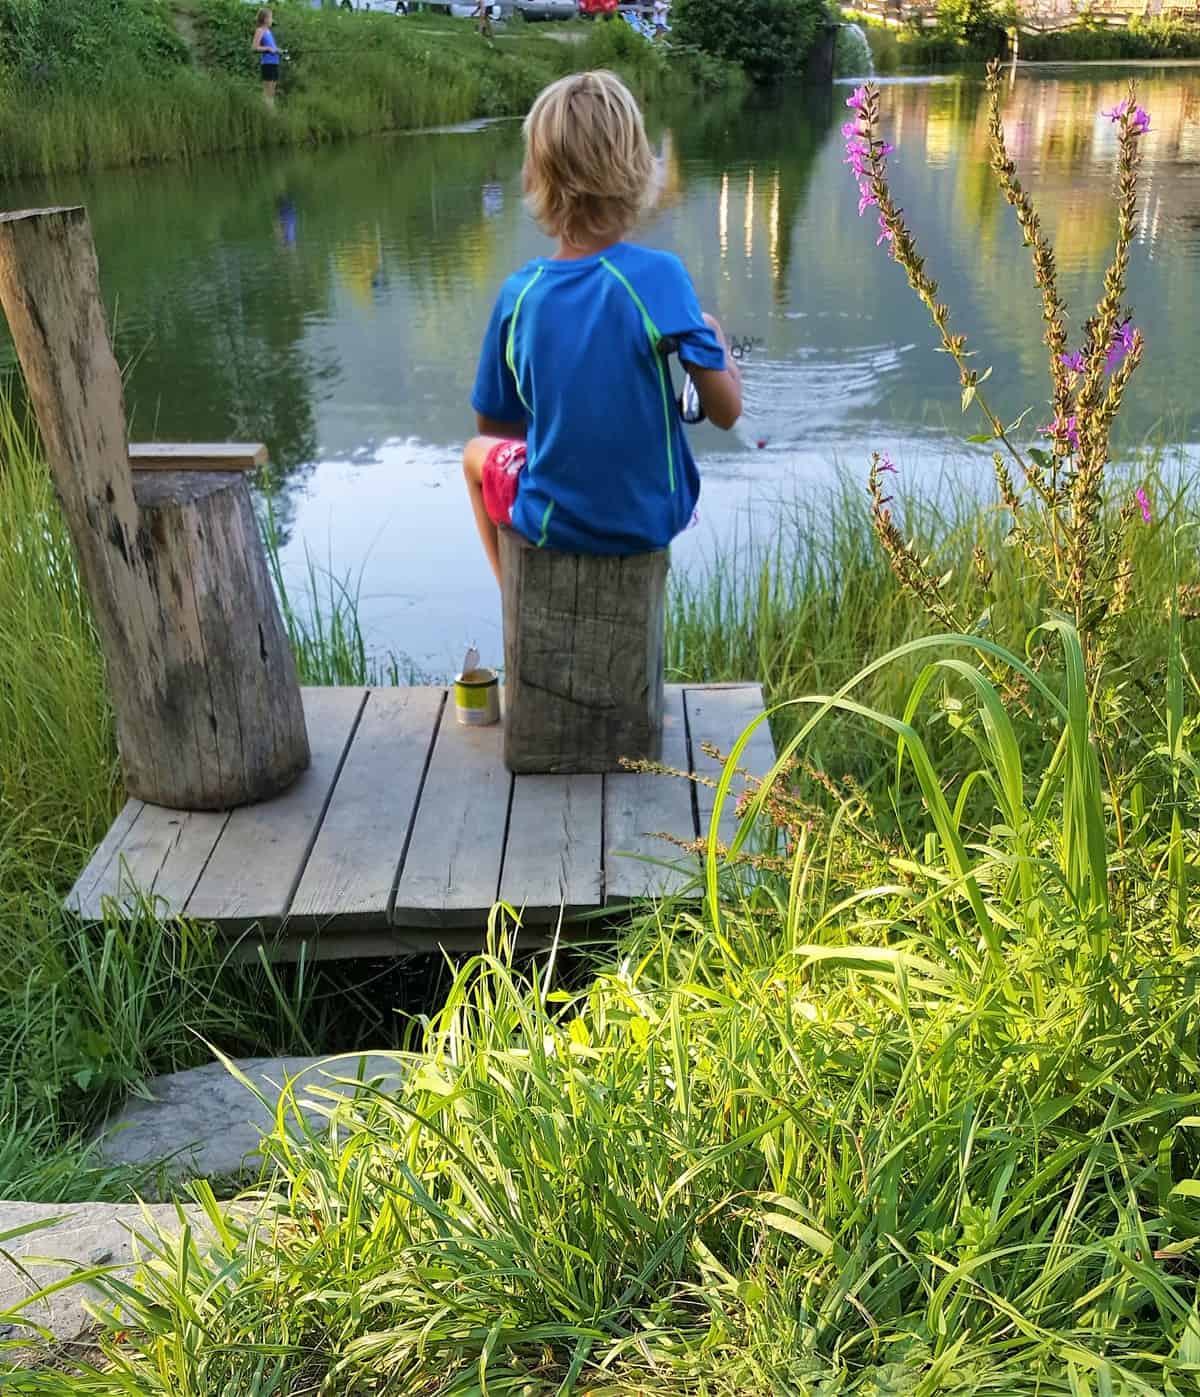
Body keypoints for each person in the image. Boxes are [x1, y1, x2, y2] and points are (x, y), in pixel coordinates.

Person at [463, 70, 742, 586]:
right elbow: (726, 413)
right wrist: (715, 339)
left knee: (474, 458)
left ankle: (511, 593)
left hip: (554, 524)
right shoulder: (661, 276)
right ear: (639, 169)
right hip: (654, 519)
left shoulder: (519, 294)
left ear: (535, 176)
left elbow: (494, 426)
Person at [252, 8, 281, 107]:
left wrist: (277, 50)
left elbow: (272, 47)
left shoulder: (269, 31)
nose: (272, 20)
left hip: (274, 63)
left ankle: (271, 113)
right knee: (267, 92)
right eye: (271, 17)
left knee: (272, 92)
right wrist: (269, 48)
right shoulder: (260, 30)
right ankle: (267, 112)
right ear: (265, 19)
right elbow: (255, 48)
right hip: (267, 64)